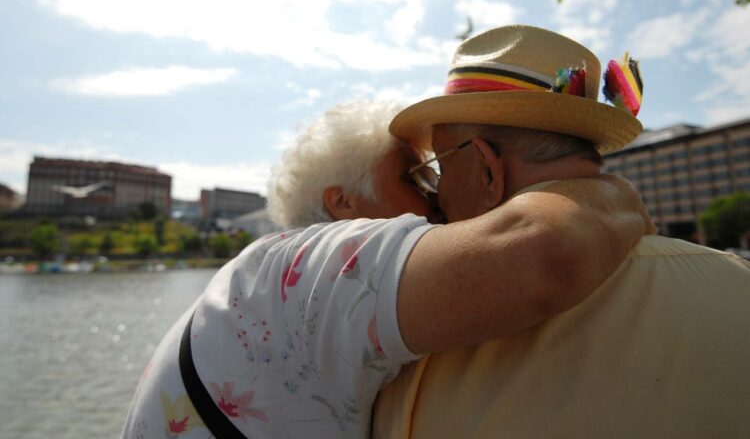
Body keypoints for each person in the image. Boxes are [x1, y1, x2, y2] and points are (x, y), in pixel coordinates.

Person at [120, 97, 650, 439]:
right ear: (343, 204)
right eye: (416, 176)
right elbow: (547, 252)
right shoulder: (300, 272)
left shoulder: (259, 284)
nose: (439, 194)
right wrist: (613, 191)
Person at [372, 24, 750, 438]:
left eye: (441, 167)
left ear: (486, 169)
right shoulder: (736, 283)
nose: (436, 191)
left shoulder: (427, 339)